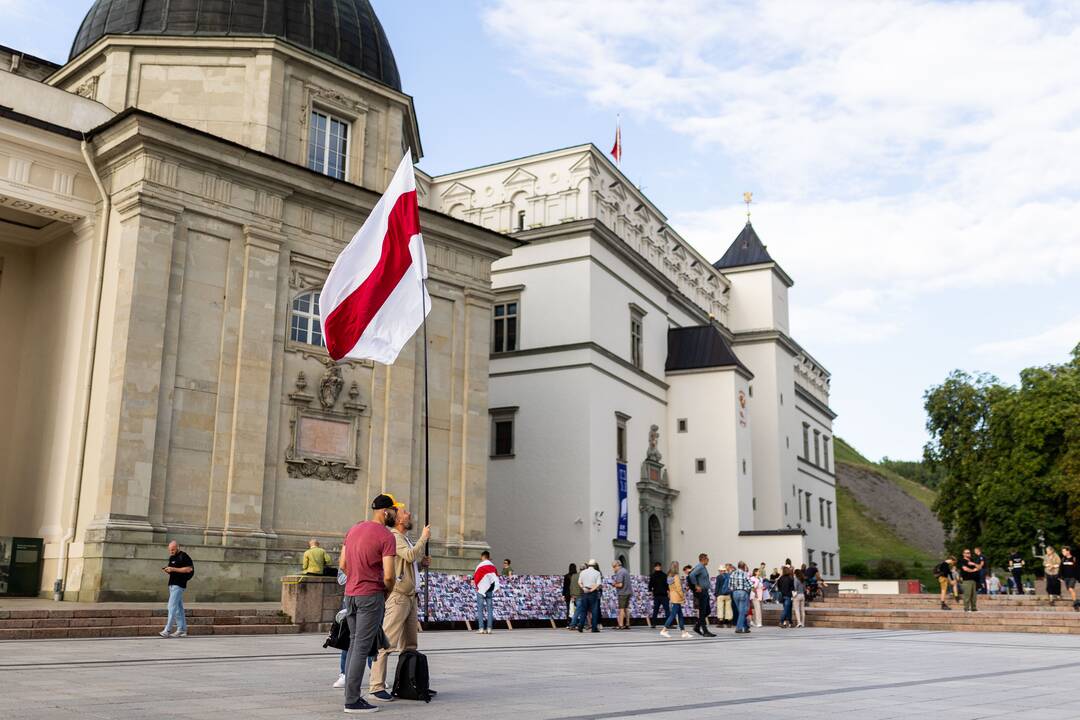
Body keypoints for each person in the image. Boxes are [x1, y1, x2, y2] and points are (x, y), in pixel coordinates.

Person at [367, 502, 430, 703]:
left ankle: (408, 683)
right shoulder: (395, 537)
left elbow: (409, 563)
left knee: (410, 644)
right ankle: (376, 686)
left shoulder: (405, 539)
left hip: (410, 597)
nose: (409, 514)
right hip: (399, 597)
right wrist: (424, 538)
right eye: (405, 512)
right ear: (398, 519)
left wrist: (421, 565)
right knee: (387, 643)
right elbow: (409, 555)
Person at [341, 493, 398, 714]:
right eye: (393, 510)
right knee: (361, 648)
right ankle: (352, 700)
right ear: (385, 512)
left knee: (355, 645)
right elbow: (390, 576)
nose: (394, 514)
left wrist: (356, 578)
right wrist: (386, 592)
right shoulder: (386, 536)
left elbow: (343, 563)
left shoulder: (354, 529)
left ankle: (350, 694)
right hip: (371, 595)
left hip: (351, 594)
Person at [159, 541, 194, 638]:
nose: (171, 551)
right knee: (178, 608)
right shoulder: (172, 557)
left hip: (179, 585)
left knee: (171, 606)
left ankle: (167, 630)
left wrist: (173, 569)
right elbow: (174, 571)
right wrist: (168, 570)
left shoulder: (184, 556)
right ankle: (182, 630)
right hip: (172, 584)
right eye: (170, 550)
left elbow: (189, 569)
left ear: (178, 547)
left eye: (173, 549)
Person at [660, 561, 691, 638]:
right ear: (676, 567)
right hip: (677, 597)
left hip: (672, 596)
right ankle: (664, 629)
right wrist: (682, 596)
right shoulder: (676, 576)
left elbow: (671, 587)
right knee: (673, 614)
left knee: (680, 614)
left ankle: (683, 632)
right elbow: (678, 588)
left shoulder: (669, 576)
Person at [473, 551, 500, 634]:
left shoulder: (480, 566)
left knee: (480, 610)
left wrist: (477, 586)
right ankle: (489, 629)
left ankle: (481, 629)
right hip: (489, 590)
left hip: (481, 590)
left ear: (483, 557)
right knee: (490, 609)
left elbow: (476, 577)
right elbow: (496, 577)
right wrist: (496, 587)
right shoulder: (493, 566)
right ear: (488, 557)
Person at [688, 554, 714, 637]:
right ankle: (705, 631)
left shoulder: (702, 567)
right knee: (703, 611)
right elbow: (691, 575)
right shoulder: (700, 567)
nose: (708, 560)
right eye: (707, 559)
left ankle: (697, 626)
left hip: (705, 591)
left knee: (707, 611)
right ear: (703, 559)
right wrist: (696, 585)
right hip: (701, 591)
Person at [576, 559, 603, 632]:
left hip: (584, 592)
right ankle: (594, 628)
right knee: (594, 611)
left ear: (588, 565)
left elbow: (579, 582)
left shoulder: (583, 572)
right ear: (594, 565)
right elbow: (598, 584)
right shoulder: (597, 573)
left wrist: (583, 588)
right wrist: (591, 590)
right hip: (593, 593)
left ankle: (580, 626)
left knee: (583, 610)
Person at [730, 561, 753, 634]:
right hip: (743, 592)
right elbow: (750, 584)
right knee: (743, 612)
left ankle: (745, 627)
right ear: (743, 567)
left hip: (735, 593)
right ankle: (739, 628)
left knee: (741, 612)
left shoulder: (733, 573)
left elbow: (730, 586)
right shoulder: (745, 574)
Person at [611, 560, 632, 629]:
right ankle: (627, 623)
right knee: (626, 608)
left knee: (621, 609)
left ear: (617, 565)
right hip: (628, 592)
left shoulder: (620, 572)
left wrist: (614, 584)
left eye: (614, 567)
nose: (613, 569)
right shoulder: (625, 570)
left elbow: (620, 584)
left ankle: (620, 624)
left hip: (622, 592)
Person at [714, 564, 733, 628]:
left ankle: (720, 622)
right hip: (728, 594)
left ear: (720, 570)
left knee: (720, 608)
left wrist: (716, 594)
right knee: (728, 608)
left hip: (720, 595)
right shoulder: (729, 576)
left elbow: (717, 586)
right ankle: (729, 622)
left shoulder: (719, 577)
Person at [1060, 546, 1079, 611]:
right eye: (1062, 551)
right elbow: (1061, 569)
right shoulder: (1063, 559)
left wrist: (1078, 577)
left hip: (1073, 577)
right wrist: (1061, 577)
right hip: (1066, 578)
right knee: (1069, 590)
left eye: (1064, 551)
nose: (1063, 552)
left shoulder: (1074, 559)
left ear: (1068, 551)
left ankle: (1075, 603)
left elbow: (1077, 569)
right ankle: (1076, 601)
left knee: (1071, 588)